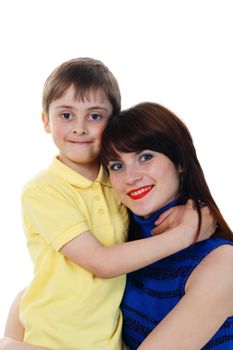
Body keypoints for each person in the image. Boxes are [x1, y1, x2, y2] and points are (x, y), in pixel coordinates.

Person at [0, 59, 214, 350]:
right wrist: (185, 233)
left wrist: (197, 211)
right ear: (45, 121)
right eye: (65, 115)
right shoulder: (44, 190)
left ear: (112, 122)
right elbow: (101, 262)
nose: (79, 128)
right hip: (53, 341)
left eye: (95, 116)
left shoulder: (118, 184)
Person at [100, 102, 233, 349]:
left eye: (145, 157)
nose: (130, 178)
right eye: (117, 166)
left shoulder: (223, 263)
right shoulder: (123, 251)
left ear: (180, 163)